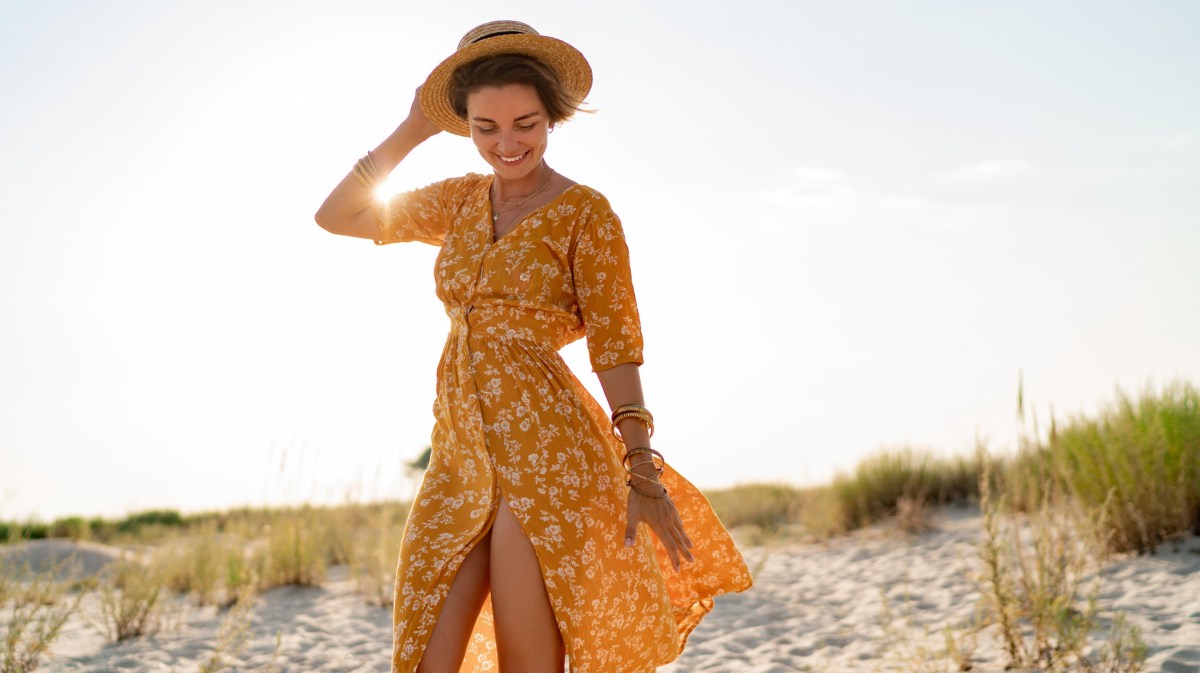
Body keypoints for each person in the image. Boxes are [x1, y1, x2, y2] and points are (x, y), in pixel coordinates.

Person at [315, 20, 752, 673]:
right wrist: (414, 127)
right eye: (485, 127)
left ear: (553, 117)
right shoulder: (457, 202)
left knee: (528, 660)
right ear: (464, 125)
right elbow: (338, 214)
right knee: (423, 654)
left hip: (547, 456)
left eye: (525, 122)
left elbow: (616, 344)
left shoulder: (585, 213)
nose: (507, 142)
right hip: (459, 455)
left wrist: (641, 463)